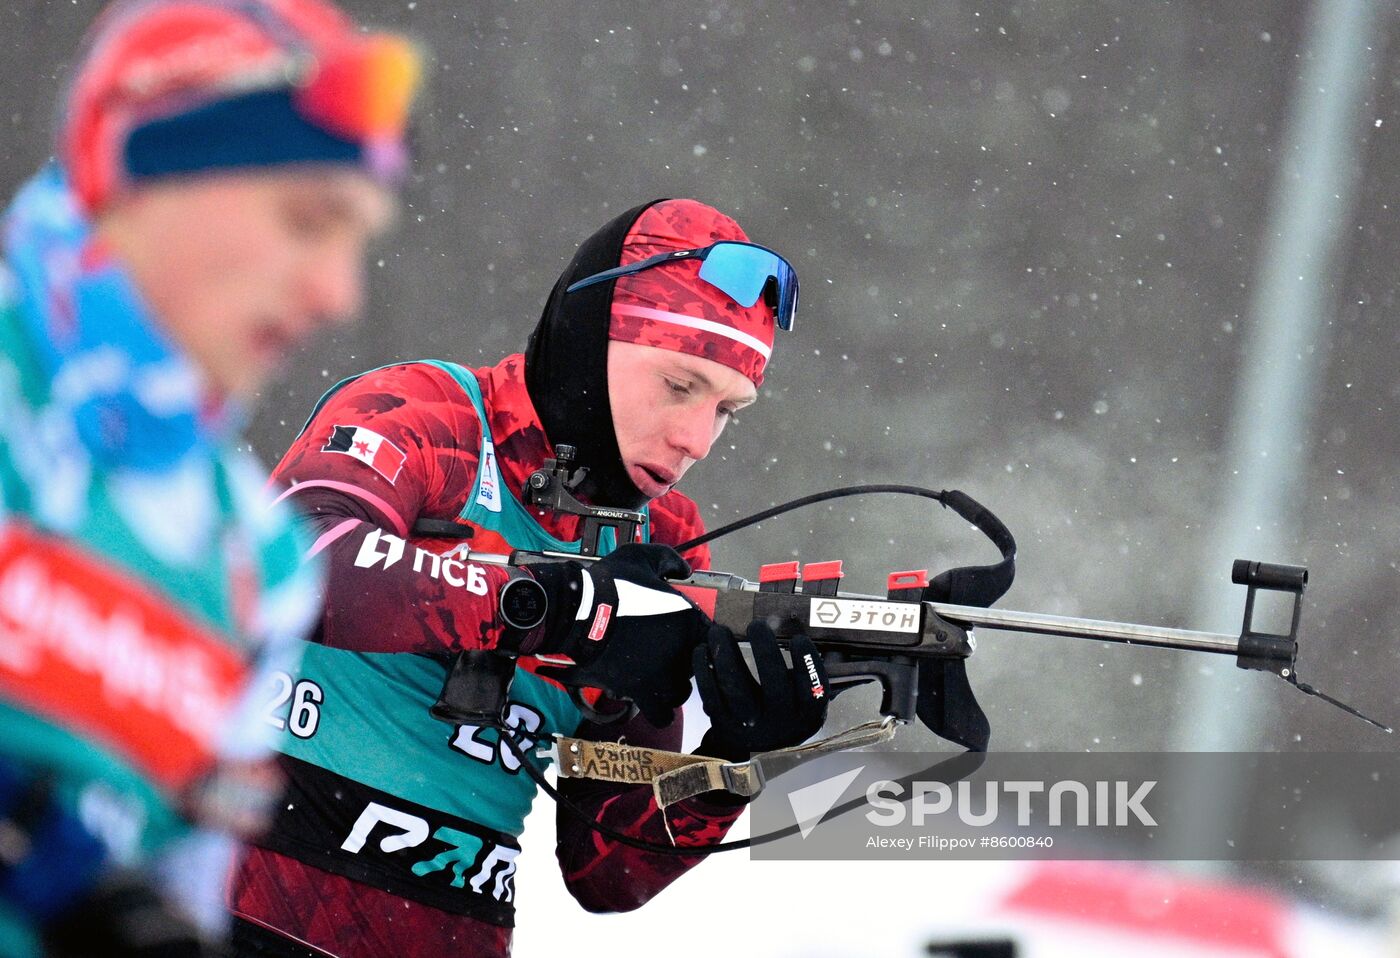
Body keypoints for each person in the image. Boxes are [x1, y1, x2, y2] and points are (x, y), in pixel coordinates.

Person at [227, 198, 828, 957]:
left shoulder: (668, 540)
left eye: (728, 412)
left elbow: (609, 870)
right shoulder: (432, 414)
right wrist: (564, 607)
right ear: (589, 337)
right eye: (679, 386)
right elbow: (292, 565)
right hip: (233, 911)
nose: (697, 439)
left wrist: (732, 758)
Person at [0, 1, 418, 954]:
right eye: (306, 220)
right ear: (144, 175)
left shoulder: (253, 556)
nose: (337, 293)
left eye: (358, 241)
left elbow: (175, 891)